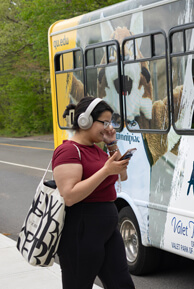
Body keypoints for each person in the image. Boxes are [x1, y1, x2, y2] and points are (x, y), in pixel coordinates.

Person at [52, 96, 135, 289]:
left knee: (122, 284)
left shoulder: (98, 151)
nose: (108, 127)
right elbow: (70, 195)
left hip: (108, 231)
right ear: (85, 120)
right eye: (104, 122)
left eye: (110, 123)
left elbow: (123, 176)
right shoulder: (69, 151)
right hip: (81, 230)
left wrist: (112, 144)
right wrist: (105, 170)